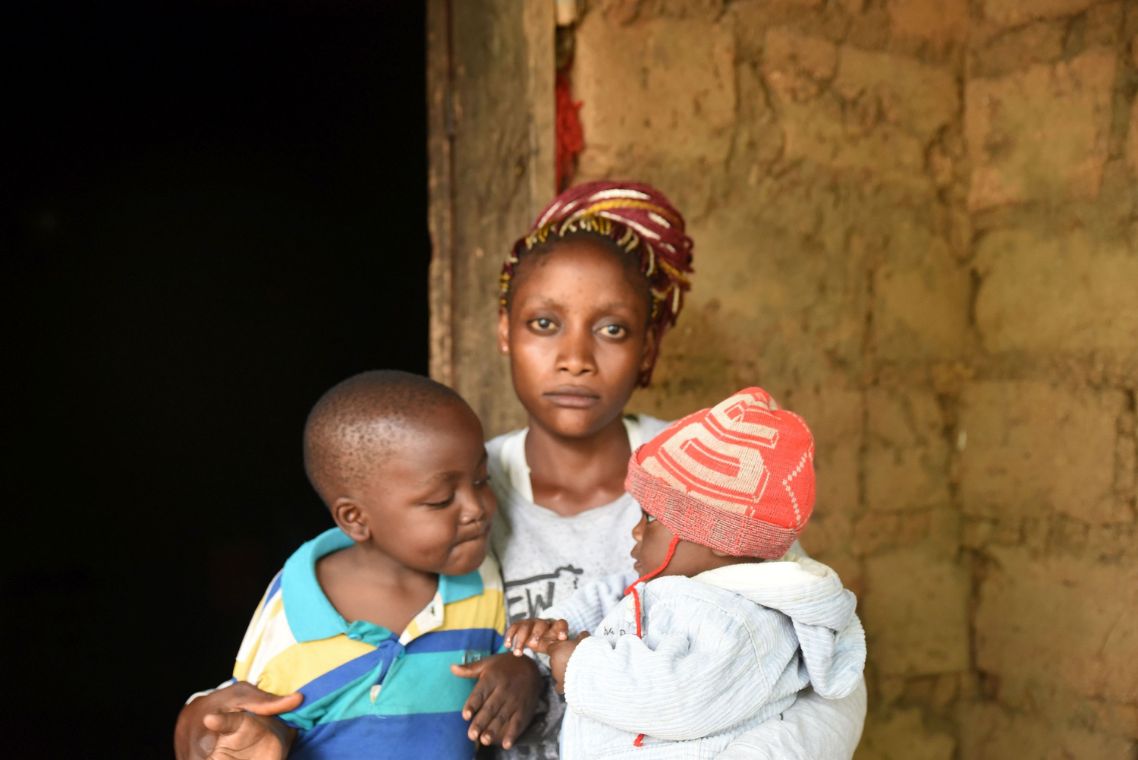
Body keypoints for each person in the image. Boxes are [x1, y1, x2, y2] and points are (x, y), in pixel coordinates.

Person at [174, 181, 866, 759]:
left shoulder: (709, 477)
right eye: (544, 324)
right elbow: (359, 653)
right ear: (504, 331)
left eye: (613, 329)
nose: (576, 358)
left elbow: (807, 662)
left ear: (650, 347)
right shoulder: (452, 490)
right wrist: (212, 716)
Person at [505, 387, 866, 758]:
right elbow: (614, 594)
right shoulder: (687, 584)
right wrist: (557, 626)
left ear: (724, 539)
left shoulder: (740, 622)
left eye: (650, 518)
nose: (636, 531)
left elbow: (676, 700)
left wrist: (580, 667)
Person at [209, 370, 535, 759]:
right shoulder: (291, 617)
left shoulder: (482, 582)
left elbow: (509, 665)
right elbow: (252, 728)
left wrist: (523, 671)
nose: (476, 508)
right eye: (441, 499)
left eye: (482, 480)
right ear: (355, 519)